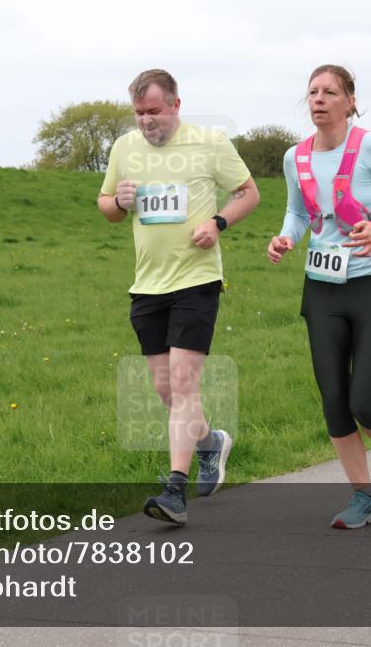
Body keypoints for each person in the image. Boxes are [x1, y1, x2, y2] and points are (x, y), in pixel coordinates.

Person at [267, 64, 371, 529]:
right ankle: (363, 497)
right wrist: (285, 238)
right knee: (333, 399)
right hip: (322, 288)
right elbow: (298, 213)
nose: (318, 99)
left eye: (329, 92)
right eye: (312, 92)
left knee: (363, 400)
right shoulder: (294, 156)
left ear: (350, 101)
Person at [98, 69, 260, 524]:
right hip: (147, 285)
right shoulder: (124, 149)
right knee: (167, 390)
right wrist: (120, 202)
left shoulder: (209, 142)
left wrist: (218, 223)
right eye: (138, 113)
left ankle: (174, 491)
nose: (146, 121)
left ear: (175, 105)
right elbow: (106, 205)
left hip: (197, 281)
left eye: (153, 111)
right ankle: (211, 443)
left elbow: (248, 193)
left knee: (185, 384)